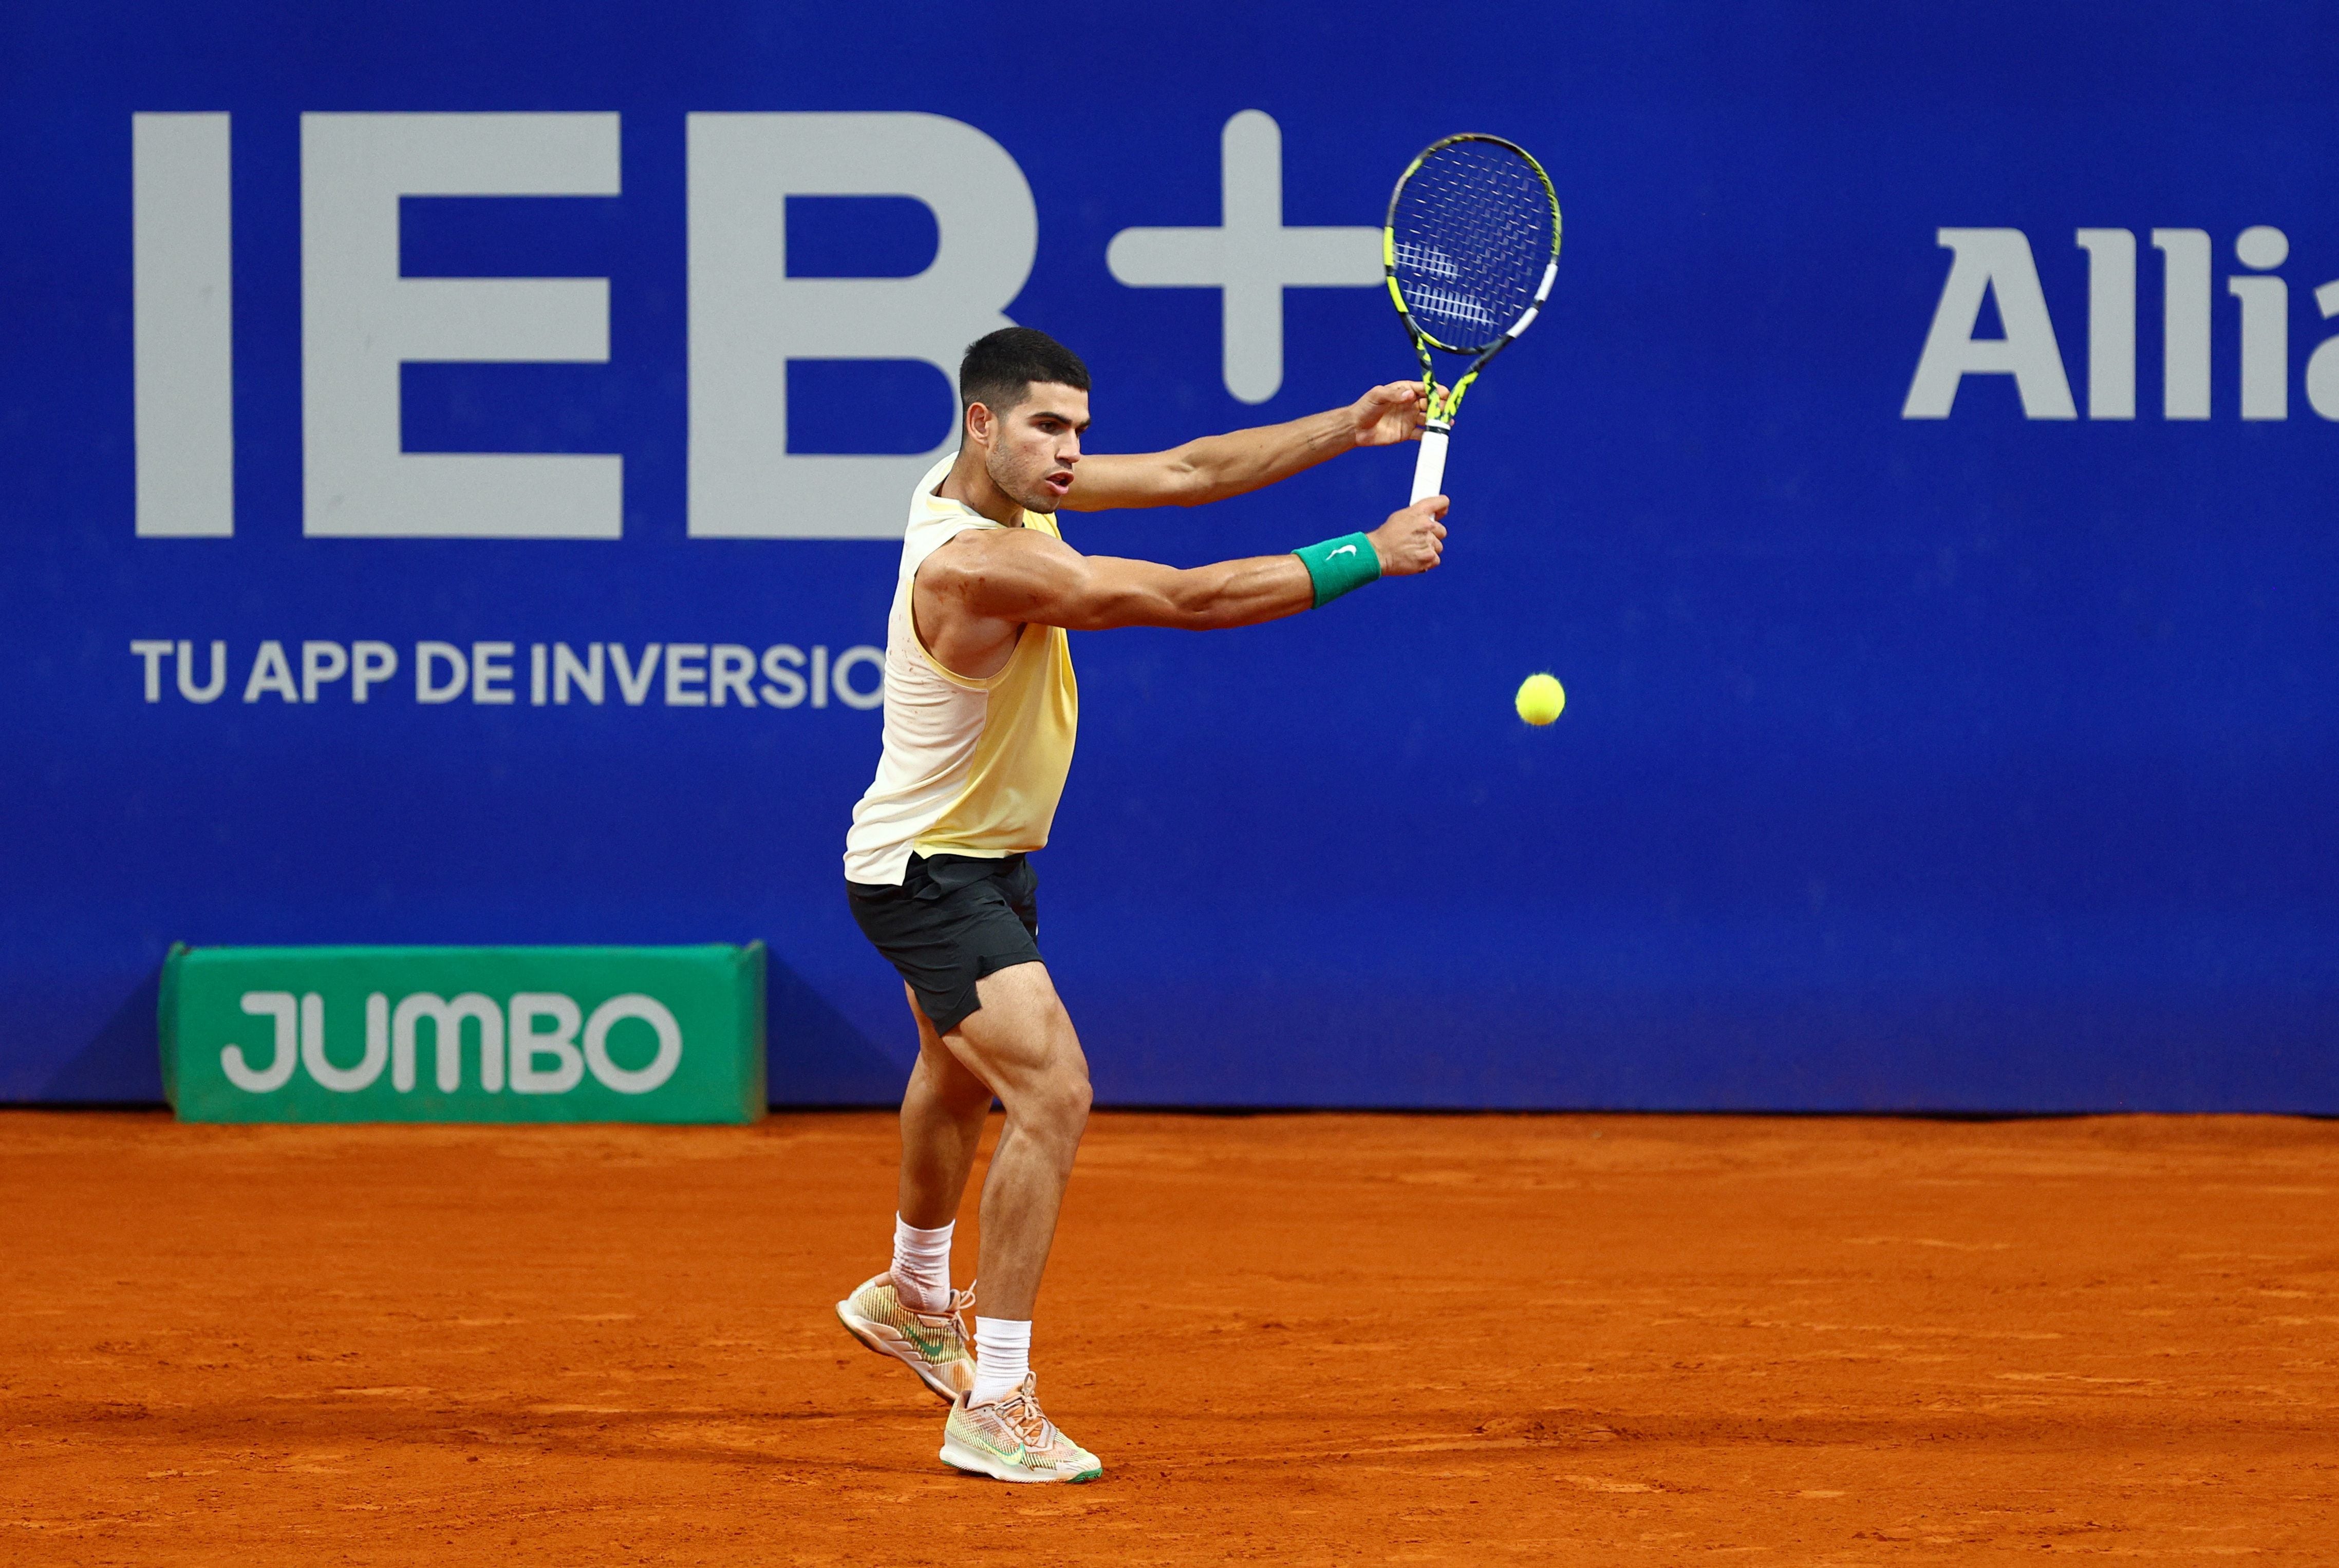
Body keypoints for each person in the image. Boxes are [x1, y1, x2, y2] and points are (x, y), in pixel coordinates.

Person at [834, 327, 1448, 1483]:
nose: (1070, 453)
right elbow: (1191, 596)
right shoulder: (978, 564)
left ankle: (913, 1296)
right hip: (929, 872)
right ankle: (996, 1399)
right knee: (1052, 1091)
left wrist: (1348, 428)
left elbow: (1190, 474)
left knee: (957, 1073)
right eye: (1046, 428)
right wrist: (1368, 550)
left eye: (1078, 430)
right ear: (982, 424)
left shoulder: (1010, 493)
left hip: (978, 855)